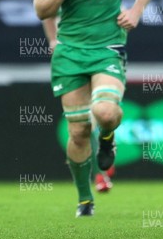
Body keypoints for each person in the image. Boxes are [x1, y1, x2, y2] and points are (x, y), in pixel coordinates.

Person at [33, 0, 156, 217]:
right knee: (76, 132)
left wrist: (137, 11)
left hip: (106, 48)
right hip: (70, 52)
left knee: (104, 112)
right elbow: (40, 8)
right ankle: (85, 198)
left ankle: (108, 137)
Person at [43, 16, 115, 194]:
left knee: (99, 112)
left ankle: (101, 169)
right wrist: (53, 40)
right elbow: (46, 14)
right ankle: (97, 176)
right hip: (68, 60)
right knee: (81, 124)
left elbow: (117, 13)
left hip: (96, 55)